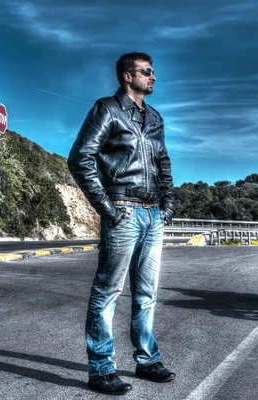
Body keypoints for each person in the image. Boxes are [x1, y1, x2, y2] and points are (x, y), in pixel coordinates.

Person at [67, 52, 176, 395]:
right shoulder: (107, 109)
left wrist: (167, 206)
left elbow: (164, 164)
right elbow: (80, 158)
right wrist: (108, 208)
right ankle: (101, 369)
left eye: (153, 72)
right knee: (108, 291)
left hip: (152, 214)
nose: (153, 77)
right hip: (123, 211)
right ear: (128, 76)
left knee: (146, 294)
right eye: (147, 72)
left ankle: (146, 360)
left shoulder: (155, 118)